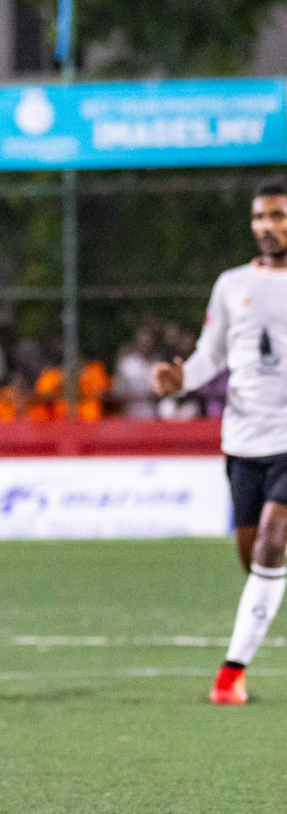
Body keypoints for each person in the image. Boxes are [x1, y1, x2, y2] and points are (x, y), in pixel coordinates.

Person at [152, 177, 287, 708]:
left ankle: (231, 673)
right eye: (260, 217)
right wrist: (180, 380)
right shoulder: (232, 284)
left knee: (274, 543)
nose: (267, 227)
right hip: (243, 440)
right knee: (255, 556)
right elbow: (212, 354)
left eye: (277, 216)